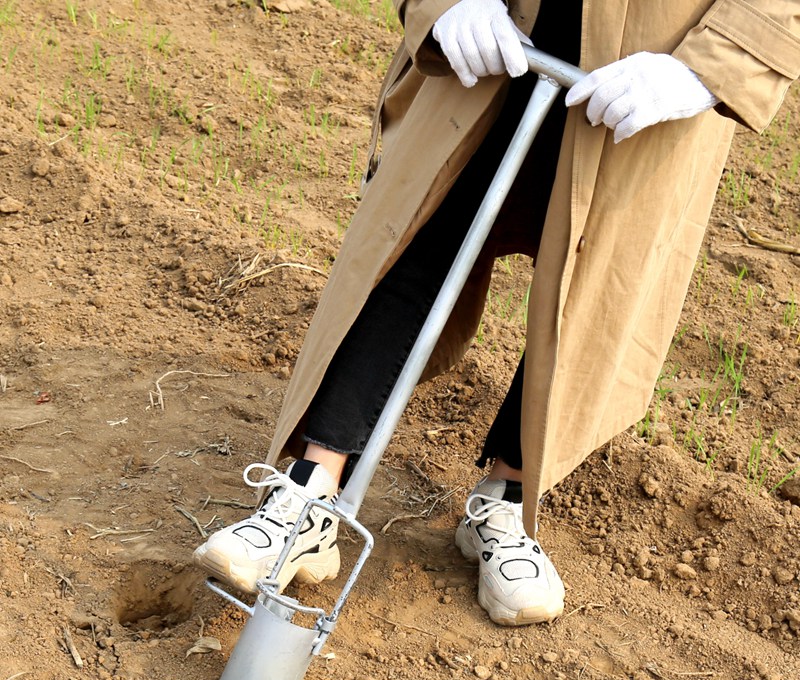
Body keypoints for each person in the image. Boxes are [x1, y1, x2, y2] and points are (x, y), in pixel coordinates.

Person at [194, 0, 800, 626]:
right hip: (495, 39)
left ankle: (505, 500)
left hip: (648, 74)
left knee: (585, 292)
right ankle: (308, 493)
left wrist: (710, 66)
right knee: (418, 234)